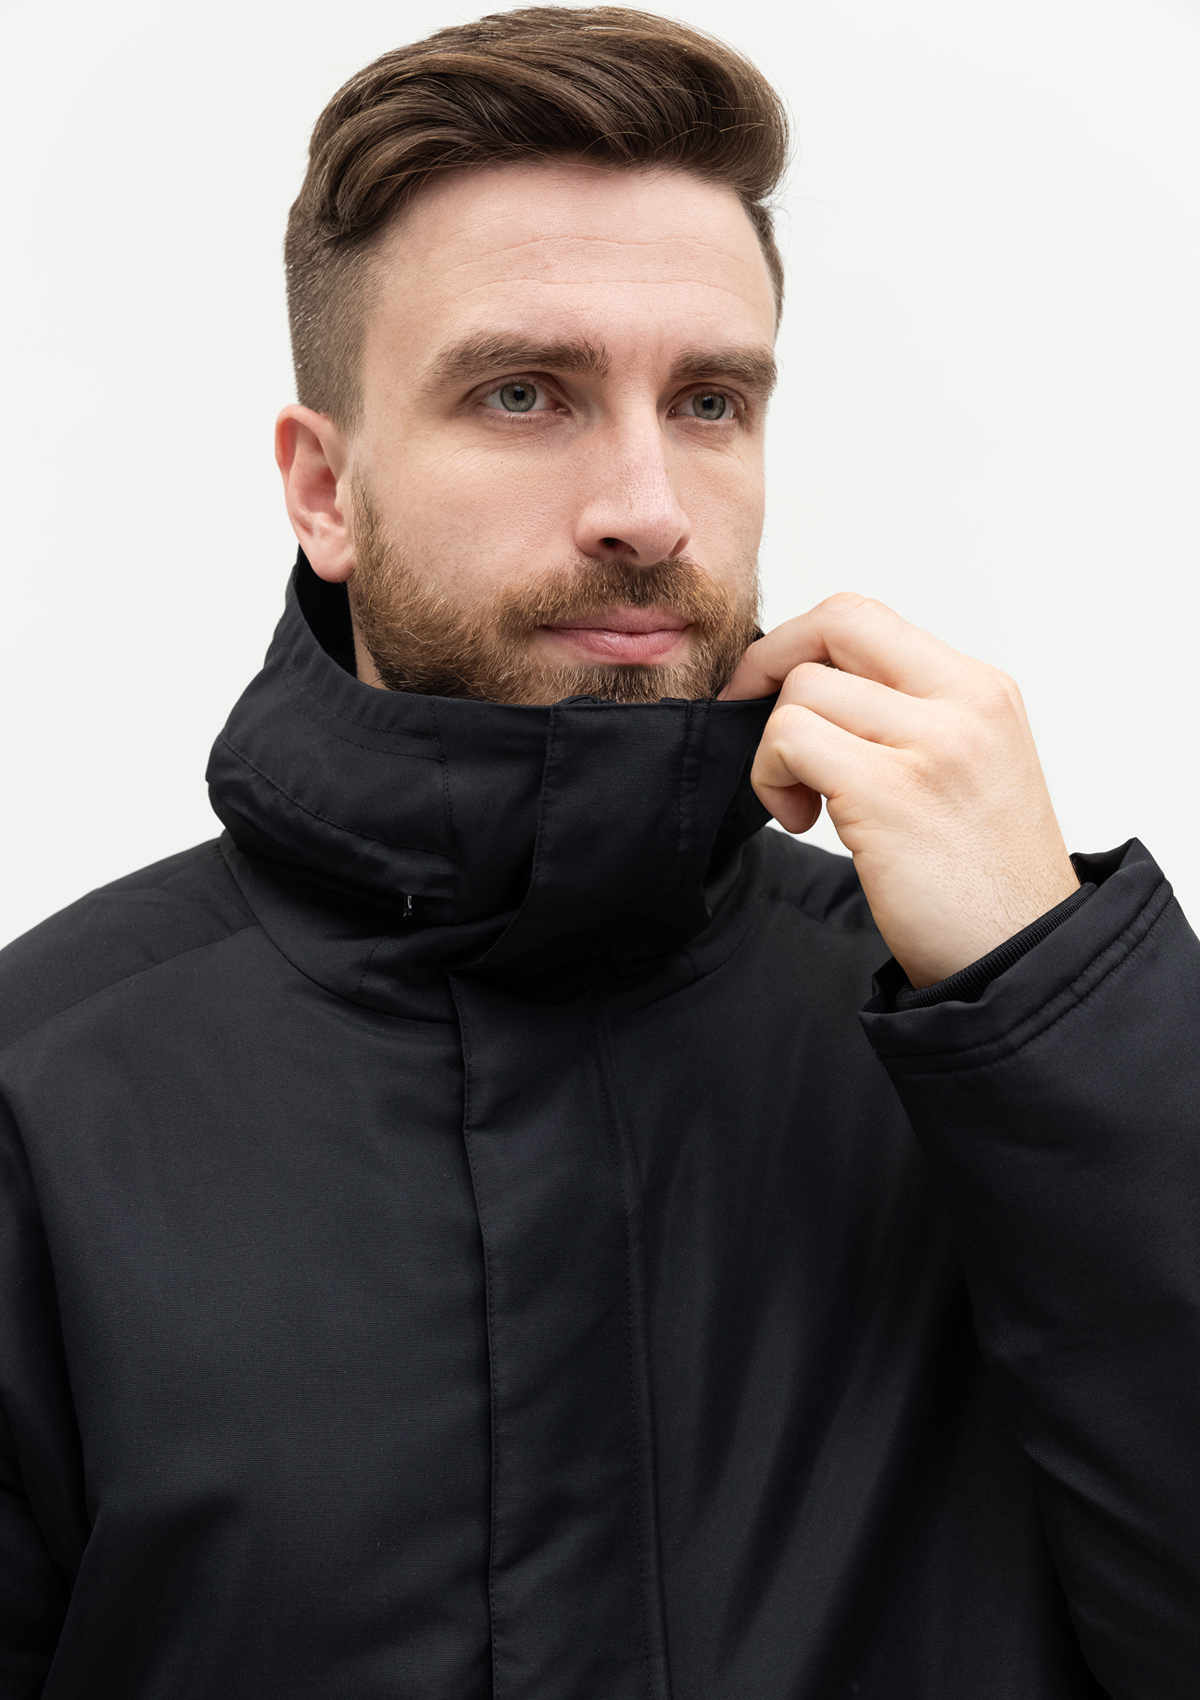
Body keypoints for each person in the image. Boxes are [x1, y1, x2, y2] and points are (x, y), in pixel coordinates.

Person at [1, 6, 1196, 1695]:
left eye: (709, 401)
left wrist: (1056, 1006)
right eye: (523, 393)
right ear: (323, 490)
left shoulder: (996, 1045)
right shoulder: (46, 1096)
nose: (647, 505)